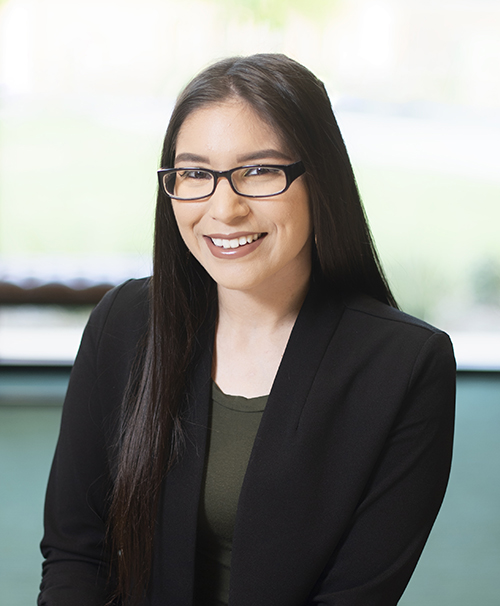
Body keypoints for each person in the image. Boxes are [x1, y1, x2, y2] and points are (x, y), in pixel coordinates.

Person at [38, 54, 456, 606]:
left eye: (258, 171)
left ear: (319, 179)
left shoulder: (407, 366)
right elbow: (75, 554)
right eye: (194, 174)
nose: (224, 208)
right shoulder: (123, 322)